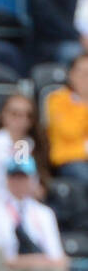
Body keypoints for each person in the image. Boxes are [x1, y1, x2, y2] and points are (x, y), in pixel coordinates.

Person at [0, 94, 47, 209]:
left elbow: (35, 190)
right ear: (3, 115)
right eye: (15, 114)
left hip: (26, 207)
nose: (21, 120)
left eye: (28, 115)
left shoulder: (32, 145)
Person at [46, 52, 88, 184]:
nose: (85, 78)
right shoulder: (57, 99)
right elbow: (69, 131)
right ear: (71, 75)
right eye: (81, 72)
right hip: (67, 161)